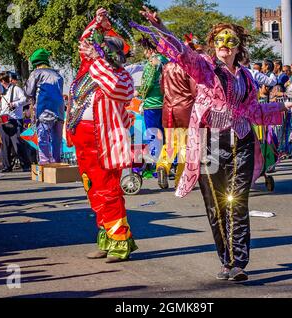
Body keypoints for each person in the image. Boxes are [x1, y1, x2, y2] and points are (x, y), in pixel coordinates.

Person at [137, 6, 292, 281]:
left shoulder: (247, 77)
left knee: (237, 202)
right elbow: (182, 54)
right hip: (209, 144)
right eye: (219, 41)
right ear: (213, 45)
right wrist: (161, 26)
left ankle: (238, 262)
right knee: (216, 206)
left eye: (231, 41)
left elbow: (254, 112)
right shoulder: (205, 68)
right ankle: (226, 260)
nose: (225, 45)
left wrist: (284, 106)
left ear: (239, 46)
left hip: (242, 142)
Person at [66, 8, 137, 262]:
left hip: (105, 145)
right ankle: (106, 238)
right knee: (94, 191)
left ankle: (120, 242)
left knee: (108, 192)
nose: (91, 52)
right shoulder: (88, 72)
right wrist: (99, 25)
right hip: (84, 145)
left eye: (101, 50)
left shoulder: (120, 77)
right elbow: (84, 43)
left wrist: (98, 58)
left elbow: (116, 88)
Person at [156, 41, 198, 189]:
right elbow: (195, 92)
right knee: (185, 146)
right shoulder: (188, 68)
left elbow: (162, 89)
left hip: (168, 110)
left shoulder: (166, 67)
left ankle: (162, 166)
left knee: (170, 144)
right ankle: (180, 179)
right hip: (185, 111)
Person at [135, 36, 168, 180]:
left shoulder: (151, 63)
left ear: (149, 49)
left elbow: (147, 85)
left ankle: (156, 167)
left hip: (152, 105)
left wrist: (139, 93)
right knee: (166, 136)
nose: (144, 54)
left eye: (145, 50)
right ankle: (167, 165)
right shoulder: (167, 62)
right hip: (166, 103)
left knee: (154, 136)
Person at [25, 48, 64, 165]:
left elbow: (28, 92)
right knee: (57, 139)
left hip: (44, 109)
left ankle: (45, 162)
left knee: (43, 138)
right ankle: (57, 161)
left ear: (35, 64)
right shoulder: (58, 75)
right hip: (59, 110)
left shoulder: (36, 73)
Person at [0, 72, 31, 172]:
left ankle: (25, 165)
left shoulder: (16, 89)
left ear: (3, 81)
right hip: (4, 120)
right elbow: (1, 104)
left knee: (18, 144)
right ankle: (7, 166)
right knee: (5, 145)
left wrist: (14, 104)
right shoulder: (1, 92)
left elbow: (26, 100)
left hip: (15, 120)